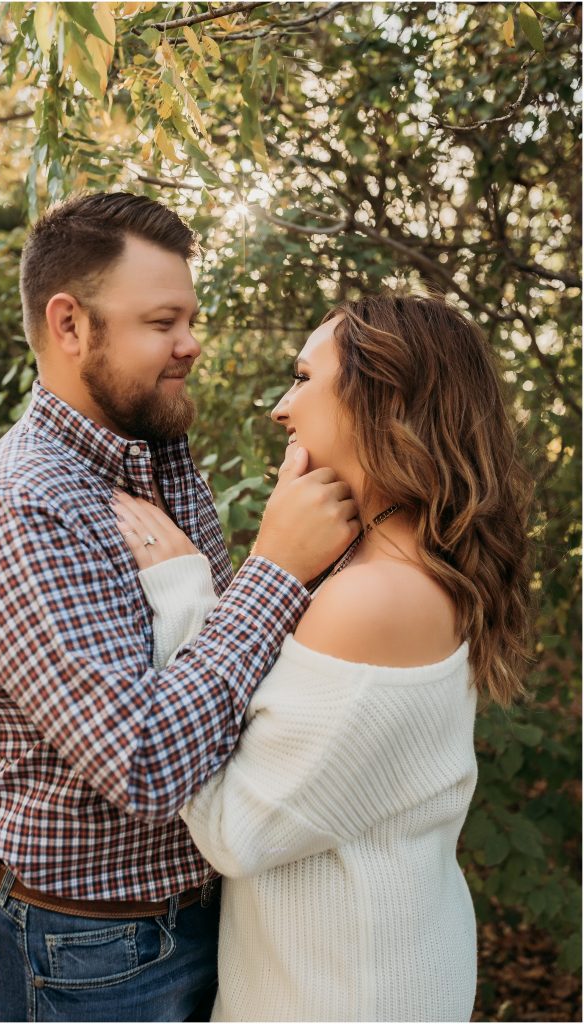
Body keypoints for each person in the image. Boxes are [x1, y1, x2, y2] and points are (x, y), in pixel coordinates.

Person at [0, 191, 359, 1023]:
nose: (191, 344)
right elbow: (144, 766)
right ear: (70, 324)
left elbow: (229, 680)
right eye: (163, 322)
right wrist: (276, 568)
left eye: (190, 319)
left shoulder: (158, 459)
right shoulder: (22, 505)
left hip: (201, 918)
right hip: (83, 953)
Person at [112, 293, 533, 1022]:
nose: (282, 408)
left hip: (341, 992)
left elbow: (235, 832)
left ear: (384, 399)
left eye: (305, 378)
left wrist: (183, 598)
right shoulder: (391, 565)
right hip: (366, 966)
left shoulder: (376, 597)